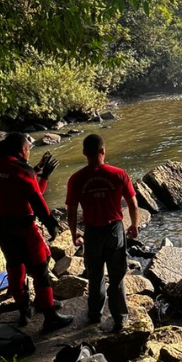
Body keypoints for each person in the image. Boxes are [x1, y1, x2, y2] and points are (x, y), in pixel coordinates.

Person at [0, 132, 74, 331]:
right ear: (21, 150)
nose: (29, 152)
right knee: (40, 270)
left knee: (14, 265)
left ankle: (24, 310)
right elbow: (35, 198)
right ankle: (49, 315)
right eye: (28, 148)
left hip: (0, 230)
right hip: (23, 228)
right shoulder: (21, 169)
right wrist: (51, 223)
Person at [66, 134, 139, 331]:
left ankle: (95, 314)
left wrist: (74, 234)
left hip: (92, 232)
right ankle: (120, 318)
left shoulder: (76, 179)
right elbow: (132, 204)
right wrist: (134, 225)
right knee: (116, 276)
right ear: (103, 151)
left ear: (84, 153)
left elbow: (71, 211)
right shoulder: (118, 174)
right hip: (115, 229)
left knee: (95, 275)